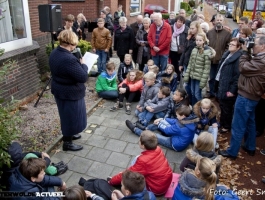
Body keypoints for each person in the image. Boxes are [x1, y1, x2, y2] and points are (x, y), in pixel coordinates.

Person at [219, 36, 265, 159]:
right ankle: (250, 147)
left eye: (254, 44)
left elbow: (243, 68)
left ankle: (232, 152)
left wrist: (245, 52)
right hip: (253, 95)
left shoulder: (262, 61)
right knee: (250, 122)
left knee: (238, 124)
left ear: (262, 46)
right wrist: (249, 52)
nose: (252, 46)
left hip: (246, 95)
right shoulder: (259, 58)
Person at [49, 30, 88, 151]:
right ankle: (67, 143)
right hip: (69, 93)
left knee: (68, 116)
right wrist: (83, 65)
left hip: (60, 90)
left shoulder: (55, 52)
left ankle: (71, 133)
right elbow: (82, 77)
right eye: (74, 44)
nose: (75, 47)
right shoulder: (68, 59)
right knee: (70, 117)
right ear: (70, 43)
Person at [109, 130, 173, 196]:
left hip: (155, 189)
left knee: (132, 178)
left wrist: (112, 181)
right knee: (137, 159)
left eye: (139, 140)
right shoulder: (158, 149)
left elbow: (129, 174)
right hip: (164, 183)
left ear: (143, 145)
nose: (138, 141)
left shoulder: (143, 161)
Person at [126, 105, 199, 152]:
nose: (176, 116)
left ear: (183, 116)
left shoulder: (180, 126)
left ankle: (135, 130)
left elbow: (167, 131)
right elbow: (174, 121)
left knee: (152, 137)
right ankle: (145, 128)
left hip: (175, 144)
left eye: (177, 115)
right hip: (178, 137)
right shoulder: (188, 120)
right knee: (162, 122)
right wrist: (162, 119)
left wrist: (159, 123)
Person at [215, 38, 242, 134]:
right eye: (230, 44)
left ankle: (226, 126)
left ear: (238, 47)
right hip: (221, 83)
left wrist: (232, 90)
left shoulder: (238, 59)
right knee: (222, 105)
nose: (230, 45)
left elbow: (237, 77)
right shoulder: (227, 54)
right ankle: (222, 122)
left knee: (227, 108)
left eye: (233, 45)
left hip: (228, 87)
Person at [184, 33, 215, 106]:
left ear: (204, 41)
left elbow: (206, 68)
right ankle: (194, 108)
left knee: (197, 94)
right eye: (197, 40)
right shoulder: (194, 49)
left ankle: (200, 108)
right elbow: (190, 64)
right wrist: (187, 75)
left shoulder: (206, 52)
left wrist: (203, 81)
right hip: (192, 76)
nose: (198, 42)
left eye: (200, 40)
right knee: (192, 92)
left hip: (199, 77)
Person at [206, 14, 231, 98]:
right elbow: (206, 45)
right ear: (214, 21)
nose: (219, 22)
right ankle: (212, 93)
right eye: (217, 20)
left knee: (220, 78)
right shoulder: (209, 32)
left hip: (221, 60)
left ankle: (218, 94)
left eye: (220, 20)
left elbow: (229, 46)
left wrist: (224, 55)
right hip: (211, 60)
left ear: (223, 21)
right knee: (212, 77)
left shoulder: (227, 34)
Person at [179, 21, 203, 103]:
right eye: (190, 28)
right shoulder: (190, 37)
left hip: (194, 66)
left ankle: (195, 104)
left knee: (193, 89)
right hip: (186, 63)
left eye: (193, 28)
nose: (191, 30)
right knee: (187, 85)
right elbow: (184, 50)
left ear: (197, 28)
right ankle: (190, 102)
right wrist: (181, 63)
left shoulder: (199, 39)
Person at [170, 15, 188, 80]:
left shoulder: (186, 29)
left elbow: (187, 40)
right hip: (172, 49)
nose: (179, 23)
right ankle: (174, 77)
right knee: (173, 64)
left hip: (181, 51)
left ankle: (179, 78)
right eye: (178, 21)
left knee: (180, 65)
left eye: (181, 22)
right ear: (176, 21)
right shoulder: (171, 28)